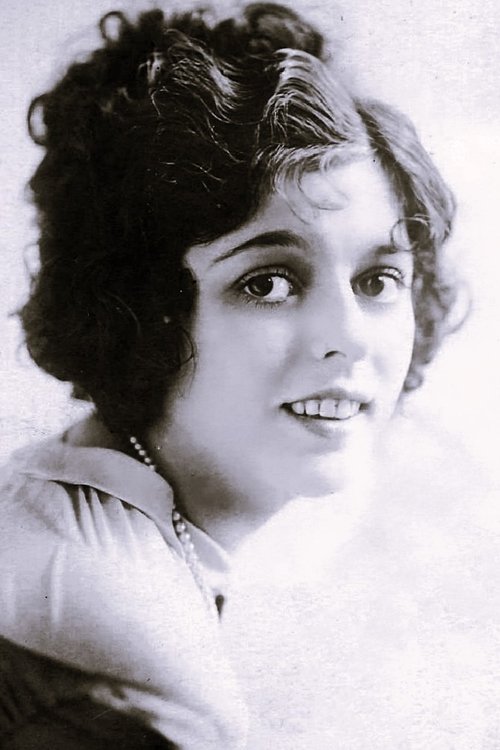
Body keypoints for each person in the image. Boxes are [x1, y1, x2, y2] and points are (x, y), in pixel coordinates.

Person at [1, 3, 497, 748]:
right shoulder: (129, 670)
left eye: (378, 280)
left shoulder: (74, 496)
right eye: (268, 282)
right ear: (141, 311)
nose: (349, 338)